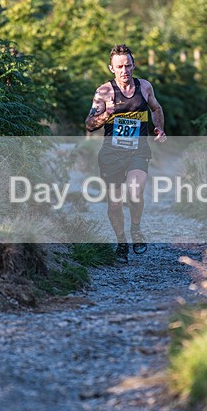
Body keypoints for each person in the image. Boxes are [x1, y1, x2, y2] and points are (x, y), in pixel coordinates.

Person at [85, 44, 167, 263]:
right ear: (111, 68)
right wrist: (105, 114)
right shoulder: (104, 92)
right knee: (114, 203)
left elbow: (156, 109)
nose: (125, 70)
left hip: (138, 151)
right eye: (119, 66)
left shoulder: (145, 87)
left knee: (135, 191)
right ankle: (121, 242)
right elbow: (89, 124)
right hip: (111, 153)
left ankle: (136, 229)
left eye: (128, 65)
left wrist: (159, 128)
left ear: (134, 65)